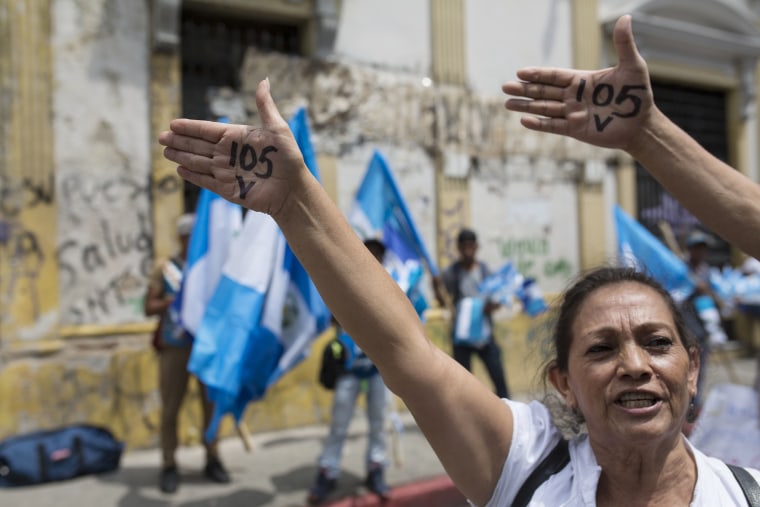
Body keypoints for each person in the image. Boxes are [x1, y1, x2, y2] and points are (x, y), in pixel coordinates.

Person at [158, 36, 760, 506]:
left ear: (693, 365)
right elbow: (408, 354)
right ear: (563, 385)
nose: (635, 365)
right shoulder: (524, 465)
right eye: (601, 349)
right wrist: (296, 205)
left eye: (657, 342)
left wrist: (652, 136)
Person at [144, 214, 230, 493]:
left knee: (211, 406)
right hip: (175, 346)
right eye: (189, 235)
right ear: (181, 237)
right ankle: (169, 464)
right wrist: (171, 302)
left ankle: (213, 457)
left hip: (206, 345)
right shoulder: (166, 269)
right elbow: (149, 306)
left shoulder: (210, 267)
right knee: (171, 409)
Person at [308, 238, 391, 505]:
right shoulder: (343, 281)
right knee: (339, 425)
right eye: (370, 252)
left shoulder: (391, 286)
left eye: (379, 254)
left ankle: (376, 469)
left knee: (379, 424)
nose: (374, 257)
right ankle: (328, 471)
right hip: (350, 371)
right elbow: (327, 314)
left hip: (378, 370)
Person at [434, 228, 510, 399]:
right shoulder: (451, 273)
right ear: (459, 248)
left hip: (484, 337)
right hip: (462, 338)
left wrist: (492, 306)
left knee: (499, 380)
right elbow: (442, 302)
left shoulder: (484, 271)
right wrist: (435, 287)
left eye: (471, 245)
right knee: (462, 385)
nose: (468, 249)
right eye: (464, 246)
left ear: (476, 247)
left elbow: (495, 301)